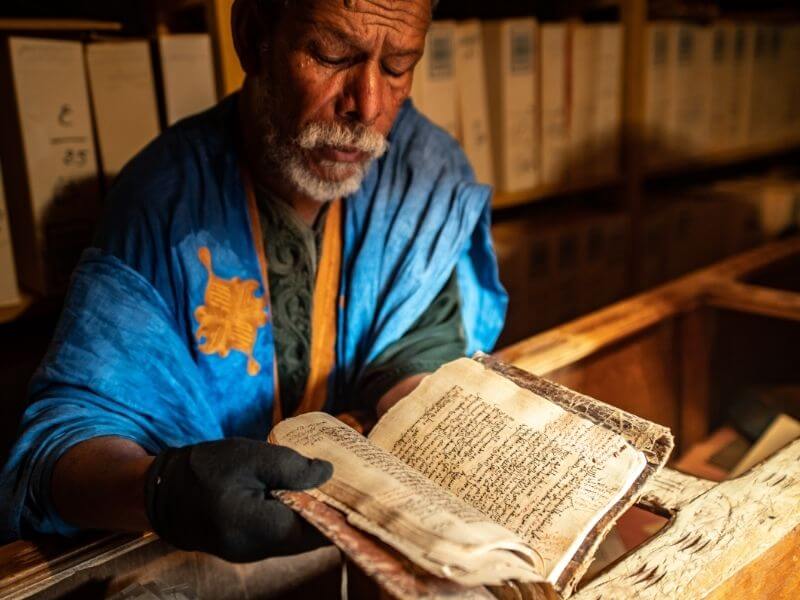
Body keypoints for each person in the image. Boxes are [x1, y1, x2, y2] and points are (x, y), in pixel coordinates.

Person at [0, 0, 506, 563]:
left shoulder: (425, 172)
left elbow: (422, 351)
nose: (367, 106)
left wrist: (437, 415)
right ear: (253, 37)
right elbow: (58, 449)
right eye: (333, 55)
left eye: (397, 67)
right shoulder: (162, 200)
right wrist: (159, 490)